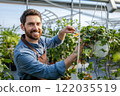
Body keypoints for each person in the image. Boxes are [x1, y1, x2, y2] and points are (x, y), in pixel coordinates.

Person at [14, 9, 84, 80]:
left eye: (38, 24)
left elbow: (54, 42)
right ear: (22, 27)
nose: (35, 28)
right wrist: (75, 54)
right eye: (31, 24)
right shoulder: (22, 53)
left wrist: (62, 32)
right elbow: (49, 72)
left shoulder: (40, 40)